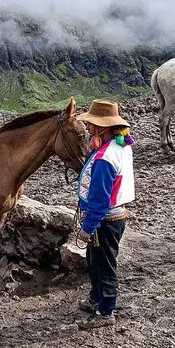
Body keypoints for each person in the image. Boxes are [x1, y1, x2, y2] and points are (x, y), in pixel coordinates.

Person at [73, 99, 135, 330]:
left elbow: (99, 198)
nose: (88, 128)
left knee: (103, 264)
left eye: (91, 125)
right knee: (95, 260)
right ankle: (96, 298)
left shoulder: (104, 159)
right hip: (114, 216)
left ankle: (106, 310)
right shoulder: (120, 146)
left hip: (104, 220)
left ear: (101, 128)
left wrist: (87, 227)